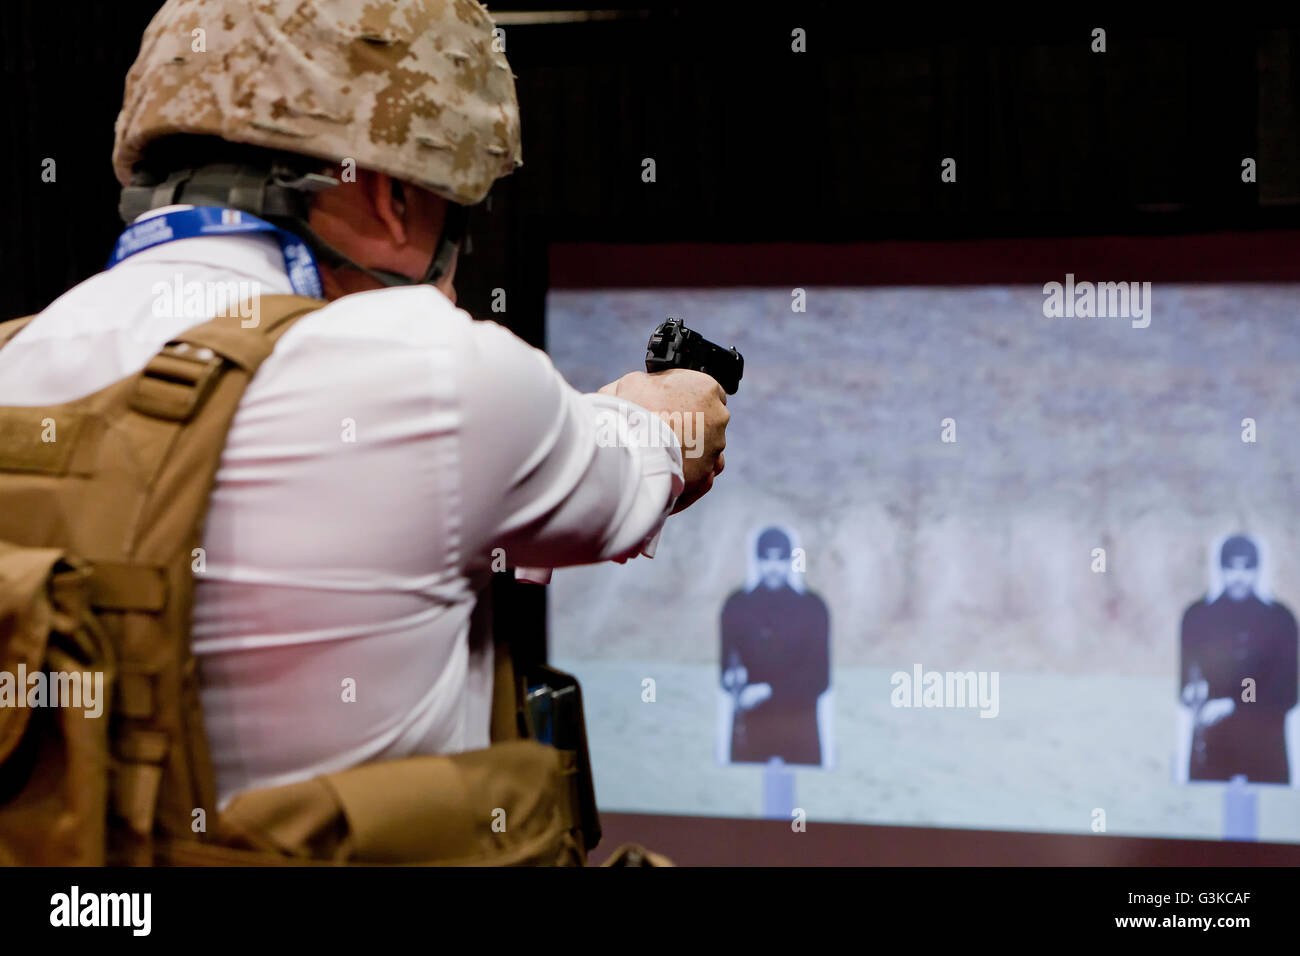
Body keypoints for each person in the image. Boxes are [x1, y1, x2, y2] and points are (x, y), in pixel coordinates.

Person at [0, 0, 728, 810]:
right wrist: (673, 404)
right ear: (391, 199)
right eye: (455, 213)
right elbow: (644, 457)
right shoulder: (424, 368)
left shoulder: (16, 358)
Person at [1179, 535, 1298, 784]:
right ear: (1220, 569)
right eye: (1231, 567)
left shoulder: (1278, 619)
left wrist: (1233, 704)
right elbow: (1186, 680)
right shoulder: (1198, 616)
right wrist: (1191, 692)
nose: (1238, 576)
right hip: (1212, 750)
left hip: (1264, 750)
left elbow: (1285, 691)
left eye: (1247, 568)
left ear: (1257, 570)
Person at [720, 526, 830, 765]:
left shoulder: (812, 608)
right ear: (757, 561)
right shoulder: (737, 606)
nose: (773, 568)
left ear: (790, 561)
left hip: (799, 732)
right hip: (751, 731)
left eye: (780, 559)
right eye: (766, 559)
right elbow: (725, 666)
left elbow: (819, 678)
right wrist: (732, 678)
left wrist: (767, 691)